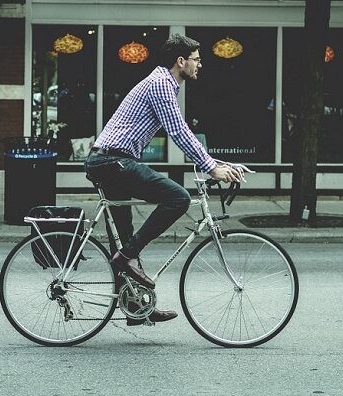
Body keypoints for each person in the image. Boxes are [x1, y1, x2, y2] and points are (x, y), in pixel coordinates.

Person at [84, 33, 242, 326]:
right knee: (178, 198)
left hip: (112, 161)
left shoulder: (164, 83)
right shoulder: (160, 85)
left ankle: (135, 306)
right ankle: (126, 258)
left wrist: (220, 164)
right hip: (112, 161)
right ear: (181, 61)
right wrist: (210, 167)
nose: (200, 64)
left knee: (125, 234)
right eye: (196, 59)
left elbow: (180, 133)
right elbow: (179, 131)